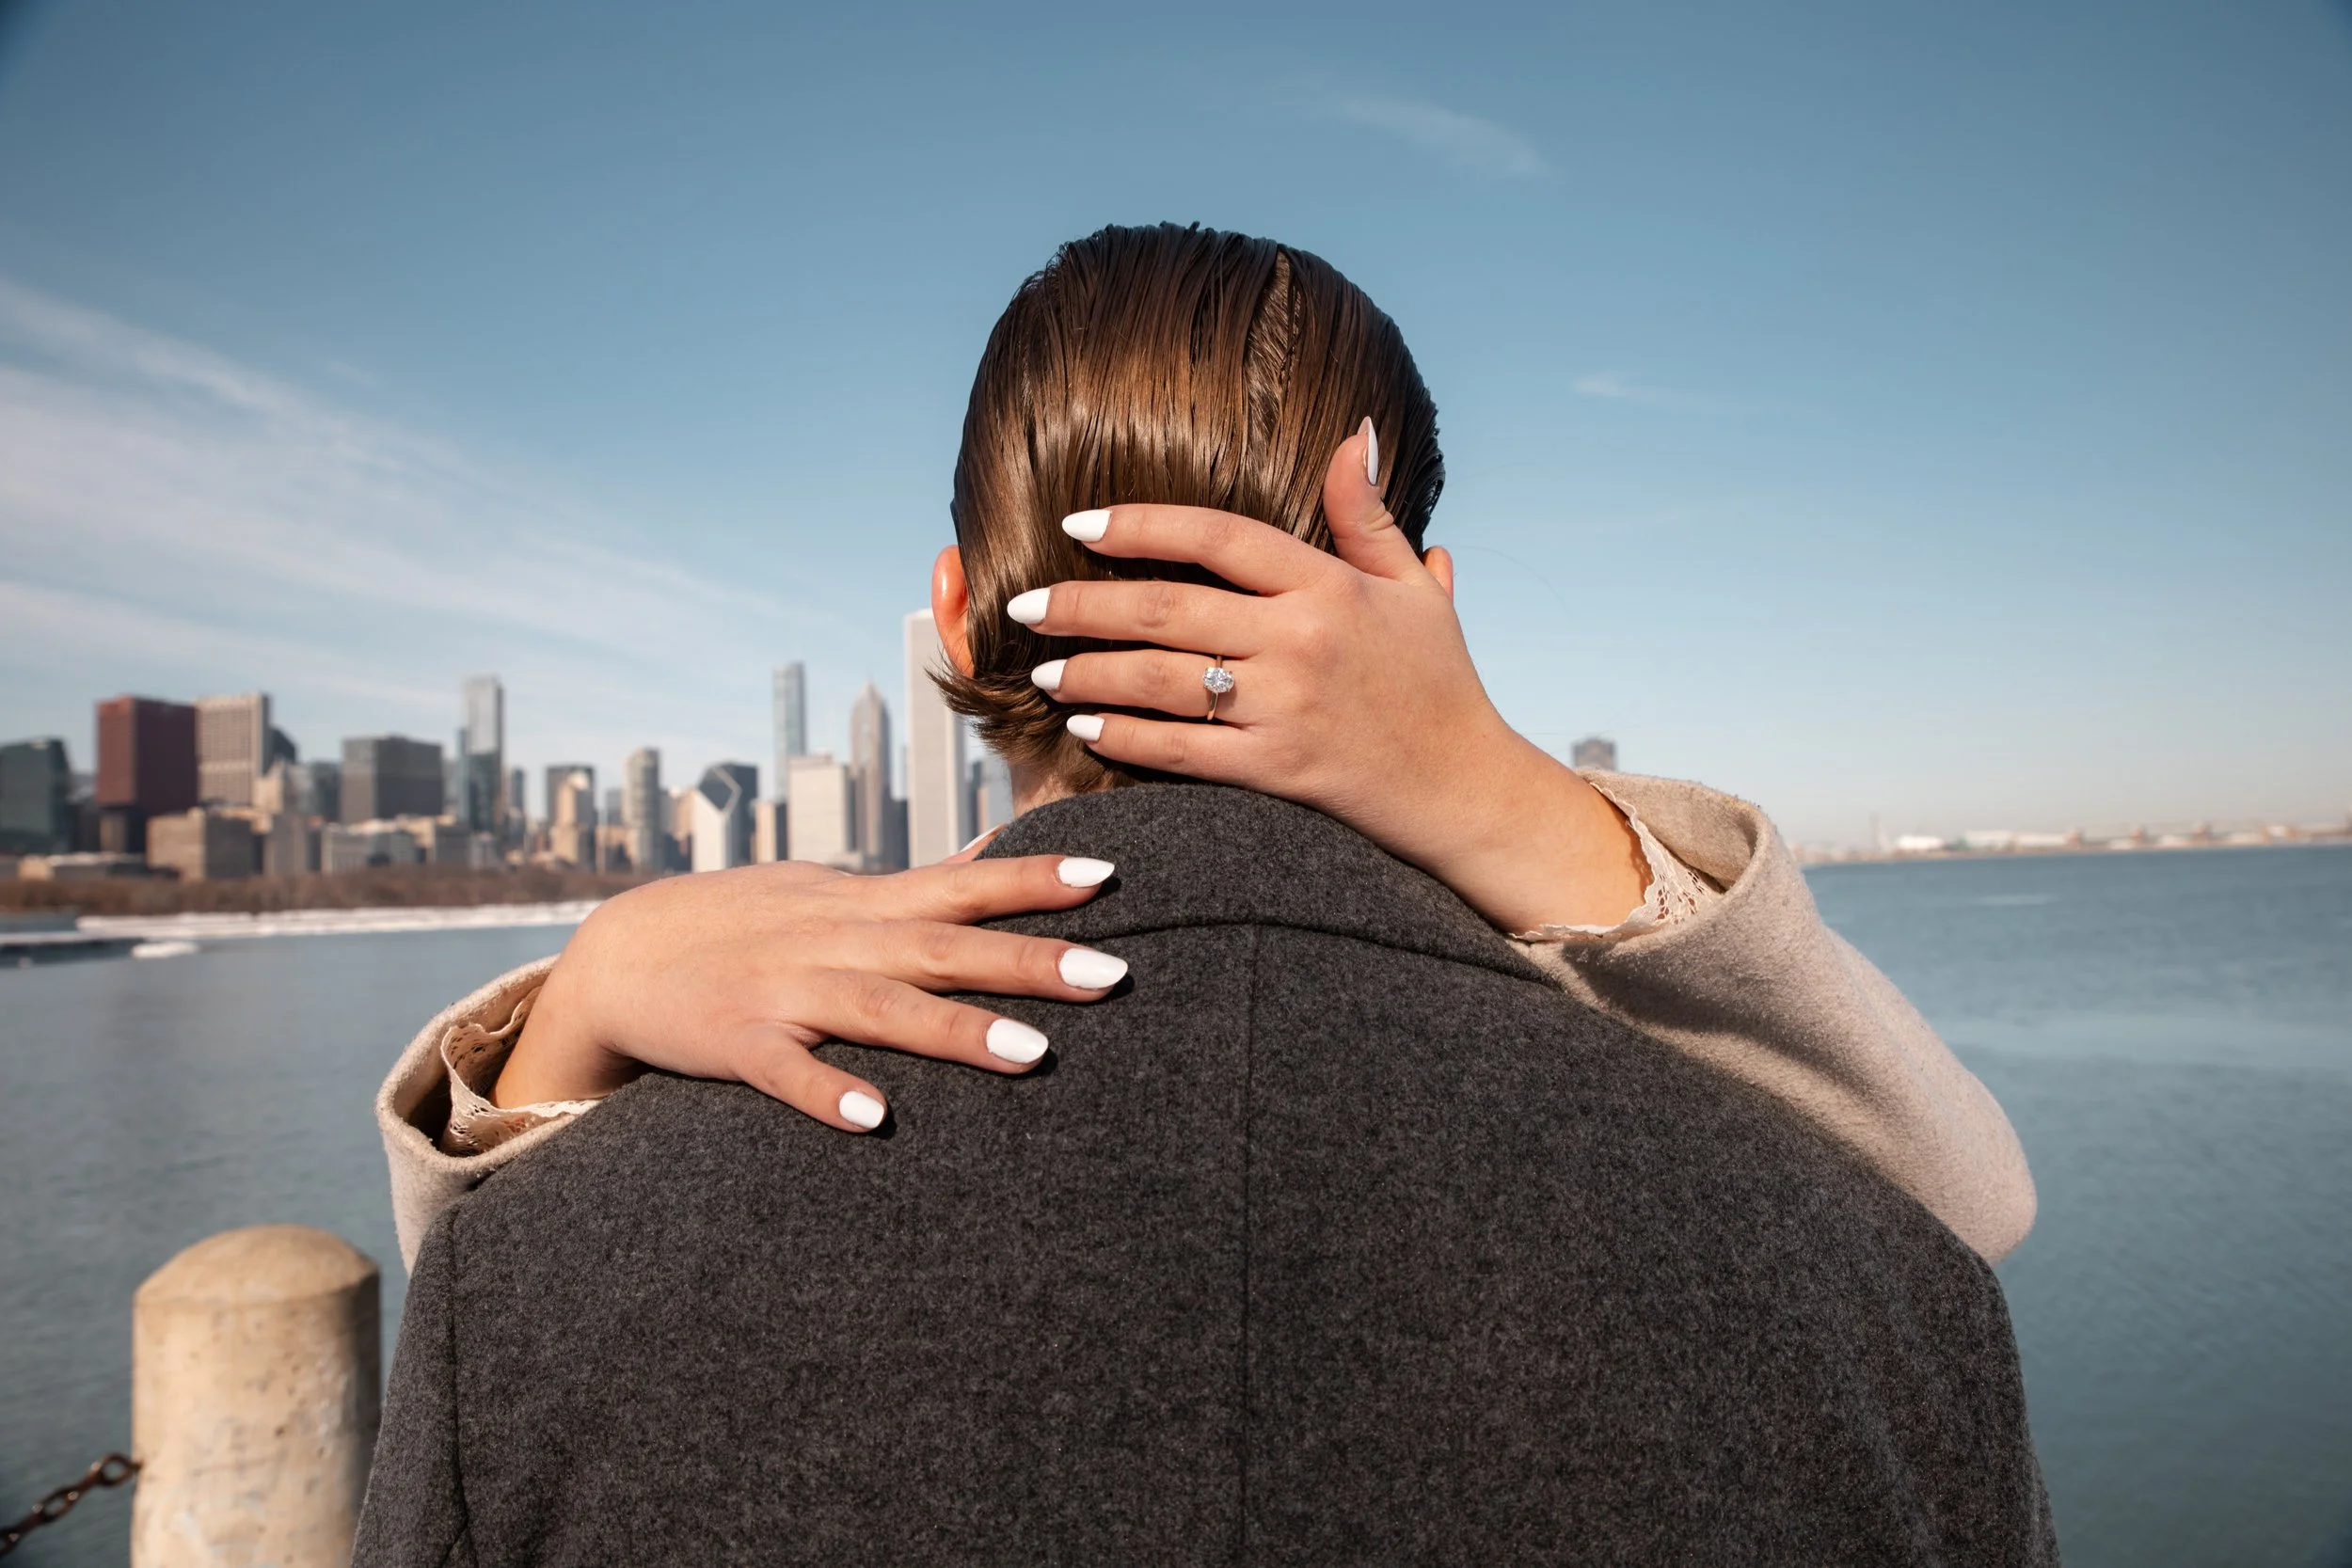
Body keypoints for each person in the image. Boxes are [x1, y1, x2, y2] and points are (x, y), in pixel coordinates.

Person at [357, 224, 2054, 1564]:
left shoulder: (531, 1288)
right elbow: (1957, 1209)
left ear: (955, 616)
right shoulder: (1875, 1286)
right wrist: (1499, 788)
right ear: (1426, 600)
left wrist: (574, 1017)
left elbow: (492, 1380)